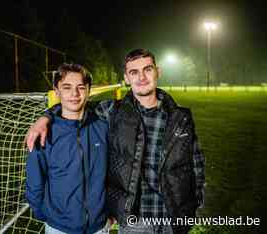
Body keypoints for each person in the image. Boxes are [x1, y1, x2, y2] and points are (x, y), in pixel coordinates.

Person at [26, 49, 205, 234]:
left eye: (148, 69)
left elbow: (196, 165)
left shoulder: (180, 117)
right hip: (134, 220)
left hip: (173, 217)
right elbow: (72, 107)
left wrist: (193, 204)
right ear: (126, 78)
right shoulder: (112, 112)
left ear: (158, 72)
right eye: (134, 72)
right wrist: (46, 117)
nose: (141, 77)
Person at [25, 63, 109, 234]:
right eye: (67, 87)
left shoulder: (103, 127)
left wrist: (110, 213)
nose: (74, 94)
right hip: (59, 228)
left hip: (99, 227)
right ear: (57, 91)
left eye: (80, 87)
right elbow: (34, 183)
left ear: (88, 90)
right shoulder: (43, 132)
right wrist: (45, 216)